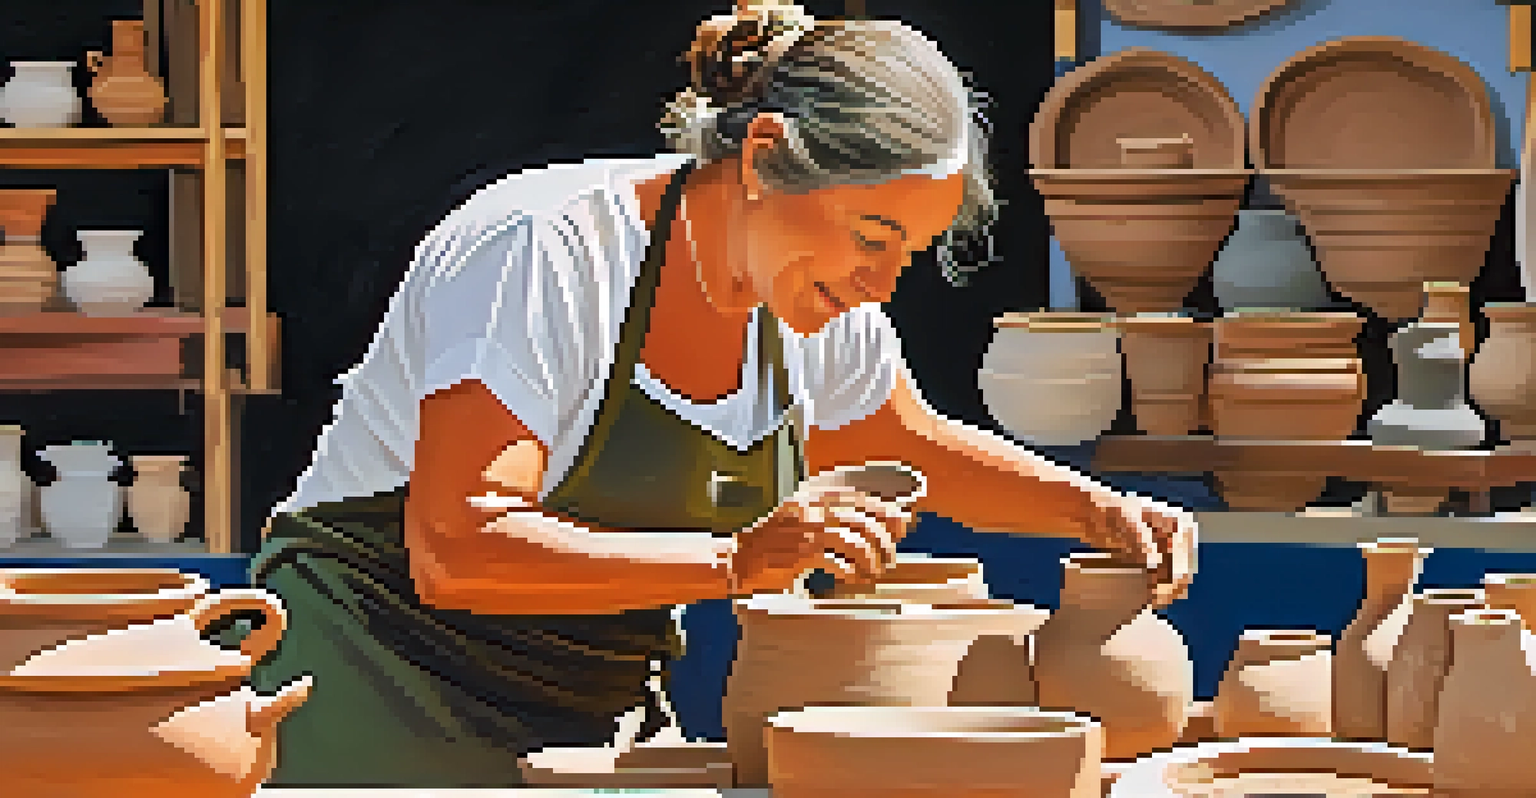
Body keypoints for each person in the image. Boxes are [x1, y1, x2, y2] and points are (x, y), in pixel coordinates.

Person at [248, 1, 1198, 788]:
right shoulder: (548, 252)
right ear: (764, 155)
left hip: (587, 718)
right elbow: (459, 545)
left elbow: (907, 445)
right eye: (871, 235)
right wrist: (737, 562)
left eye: (906, 254)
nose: (881, 283)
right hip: (379, 695)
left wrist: (1102, 513)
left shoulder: (810, 304)